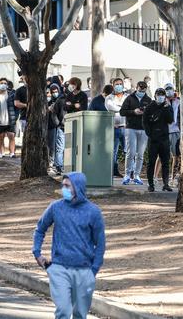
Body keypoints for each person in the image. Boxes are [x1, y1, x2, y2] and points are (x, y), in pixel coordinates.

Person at [32, 172, 105, 319]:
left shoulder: (93, 212)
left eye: (67, 186)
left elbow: (101, 243)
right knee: (64, 311)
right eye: (62, 185)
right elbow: (40, 229)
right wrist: (37, 252)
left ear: (78, 188)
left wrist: (94, 270)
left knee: (79, 314)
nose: (63, 189)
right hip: (59, 268)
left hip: (84, 271)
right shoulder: (55, 207)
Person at [119, 81, 152, 185]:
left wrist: (145, 113)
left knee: (140, 154)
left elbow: (152, 115)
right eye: (140, 89)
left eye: (143, 90)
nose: (141, 91)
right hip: (131, 128)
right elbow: (122, 112)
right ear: (136, 88)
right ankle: (127, 175)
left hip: (143, 129)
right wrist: (134, 111)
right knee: (130, 152)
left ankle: (137, 175)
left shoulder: (148, 100)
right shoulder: (129, 98)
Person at [143, 88, 174, 192]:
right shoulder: (149, 107)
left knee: (165, 162)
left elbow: (170, 120)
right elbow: (145, 122)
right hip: (153, 139)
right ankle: (151, 184)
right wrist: (150, 134)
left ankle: (166, 184)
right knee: (151, 162)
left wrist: (166, 108)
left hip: (164, 138)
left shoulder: (167, 107)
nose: (160, 96)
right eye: (158, 94)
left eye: (162, 94)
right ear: (155, 95)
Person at [105, 78, 128, 178]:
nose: (119, 86)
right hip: (114, 128)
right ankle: (114, 171)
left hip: (126, 128)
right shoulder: (109, 98)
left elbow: (129, 108)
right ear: (113, 85)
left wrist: (120, 108)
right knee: (113, 151)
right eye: (116, 84)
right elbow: (111, 107)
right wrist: (122, 108)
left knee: (128, 151)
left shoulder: (127, 97)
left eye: (120, 84)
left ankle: (130, 172)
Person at [48, 84, 67, 175]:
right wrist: (58, 123)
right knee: (58, 147)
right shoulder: (60, 100)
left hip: (69, 125)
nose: (55, 93)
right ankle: (58, 166)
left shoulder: (69, 99)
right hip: (59, 127)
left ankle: (63, 165)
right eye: (53, 92)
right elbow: (54, 113)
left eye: (56, 91)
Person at [165, 83, 181, 187]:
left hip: (176, 130)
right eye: (167, 89)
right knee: (163, 156)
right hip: (165, 131)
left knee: (176, 156)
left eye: (170, 88)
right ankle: (157, 177)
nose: (169, 90)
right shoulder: (162, 101)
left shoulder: (179, 101)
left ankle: (173, 178)